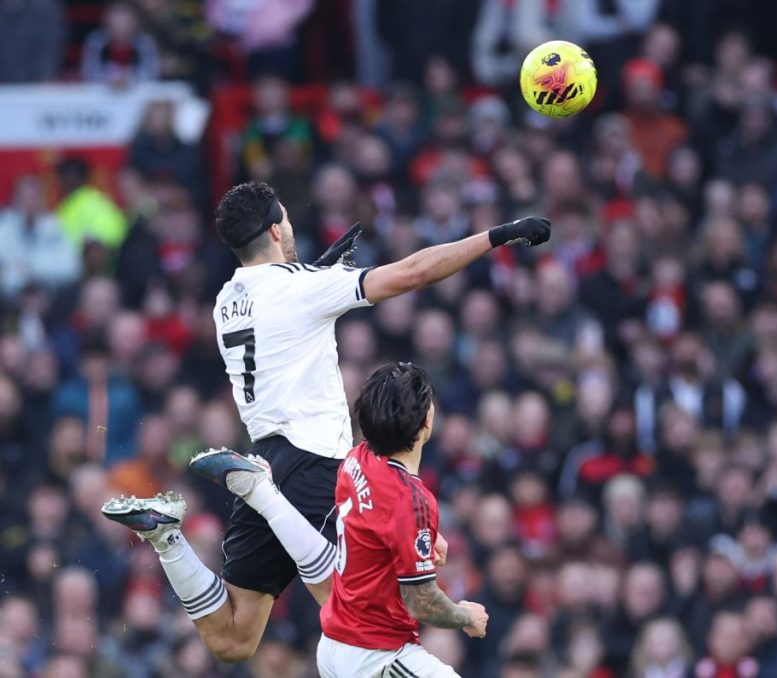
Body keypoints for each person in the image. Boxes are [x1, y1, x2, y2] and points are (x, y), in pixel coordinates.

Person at [100, 181, 547, 661]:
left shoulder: (226, 299)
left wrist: (318, 273)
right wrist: (498, 235)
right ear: (276, 229)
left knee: (233, 640)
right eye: (288, 219)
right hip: (314, 462)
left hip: (266, 456)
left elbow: (283, 302)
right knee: (356, 610)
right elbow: (413, 272)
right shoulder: (305, 287)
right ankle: (262, 496)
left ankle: (167, 537)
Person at [200, 362, 489, 676]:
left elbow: (378, 527)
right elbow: (422, 603)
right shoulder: (413, 500)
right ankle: (262, 493)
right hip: (375, 653)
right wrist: (466, 615)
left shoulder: (356, 460)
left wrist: (427, 536)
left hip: (337, 644)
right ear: (426, 421)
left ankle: (262, 494)